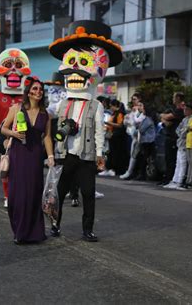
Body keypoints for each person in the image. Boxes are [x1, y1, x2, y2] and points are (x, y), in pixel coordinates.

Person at [49, 20, 123, 241]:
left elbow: (100, 132)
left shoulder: (96, 105)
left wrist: (100, 154)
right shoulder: (62, 104)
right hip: (66, 154)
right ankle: (55, 225)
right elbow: (49, 119)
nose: (74, 70)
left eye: (82, 63)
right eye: (71, 62)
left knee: (88, 194)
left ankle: (87, 230)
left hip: (87, 156)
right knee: (59, 193)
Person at [1, 77, 54, 243]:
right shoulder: (16, 108)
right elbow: (3, 128)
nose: (38, 92)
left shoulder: (46, 114)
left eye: (40, 89)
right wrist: (14, 134)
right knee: (18, 194)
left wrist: (51, 156)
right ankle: (19, 231)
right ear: (28, 91)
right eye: (35, 89)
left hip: (35, 156)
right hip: (18, 154)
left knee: (34, 192)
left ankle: (35, 232)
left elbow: (47, 137)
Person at [0, 48, 31, 208]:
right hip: (4, 136)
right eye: (8, 65)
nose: (14, 69)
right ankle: (7, 196)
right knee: (5, 167)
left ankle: (20, 195)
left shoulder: (26, 97)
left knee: (22, 168)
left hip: (23, 135)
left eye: (18, 65)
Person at [164, 102, 192, 189]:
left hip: (185, 143)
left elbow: (185, 131)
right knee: (178, 162)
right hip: (180, 143)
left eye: (187, 109)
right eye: (184, 109)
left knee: (183, 163)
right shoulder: (184, 120)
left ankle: (180, 181)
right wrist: (182, 132)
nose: (185, 111)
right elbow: (178, 130)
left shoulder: (191, 119)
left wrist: (182, 132)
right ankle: (175, 180)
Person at [159, 92, 185, 185]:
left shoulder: (180, 110)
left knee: (171, 159)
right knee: (168, 158)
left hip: (174, 138)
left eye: (174, 97)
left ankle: (170, 179)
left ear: (178, 98)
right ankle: (167, 178)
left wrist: (163, 117)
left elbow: (167, 117)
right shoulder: (174, 109)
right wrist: (165, 119)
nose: (172, 99)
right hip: (169, 136)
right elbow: (167, 122)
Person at [120, 93, 145, 180]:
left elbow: (136, 121)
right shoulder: (132, 110)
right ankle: (131, 172)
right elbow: (127, 121)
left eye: (135, 99)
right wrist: (127, 119)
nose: (133, 101)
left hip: (137, 135)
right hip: (130, 134)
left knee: (135, 155)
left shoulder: (139, 111)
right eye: (133, 99)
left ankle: (132, 172)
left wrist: (131, 118)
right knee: (131, 154)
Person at [100, 99, 127, 177]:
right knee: (111, 153)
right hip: (113, 136)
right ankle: (108, 168)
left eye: (111, 106)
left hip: (118, 137)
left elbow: (120, 125)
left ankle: (114, 169)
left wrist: (108, 123)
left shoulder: (120, 114)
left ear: (115, 106)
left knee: (116, 154)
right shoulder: (114, 113)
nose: (110, 108)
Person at [134, 101, 156, 180]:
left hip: (148, 141)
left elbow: (141, 129)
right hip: (146, 141)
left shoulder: (148, 119)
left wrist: (138, 126)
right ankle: (141, 174)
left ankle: (142, 174)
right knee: (143, 158)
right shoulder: (146, 118)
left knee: (144, 158)